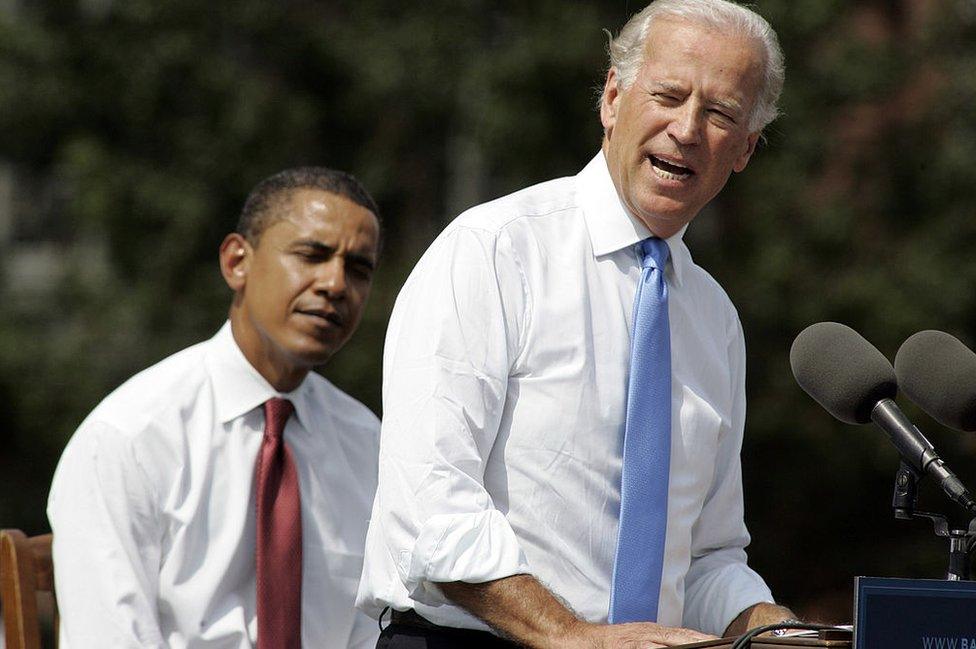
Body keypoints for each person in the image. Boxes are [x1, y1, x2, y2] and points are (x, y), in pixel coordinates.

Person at [357, 1, 797, 647]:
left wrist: (782, 632)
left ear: (746, 150)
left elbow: (705, 560)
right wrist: (570, 634)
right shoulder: (495, 249)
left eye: (721, 114)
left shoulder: (713, 317)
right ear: (613, 99)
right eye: (668, 95)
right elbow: (430, 506)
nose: (686, 128)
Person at [48, 167, 383, 648]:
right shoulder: (131, 437)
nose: (335, 284)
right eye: (312, 255)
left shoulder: (364, 442)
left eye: (358, 269)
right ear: (236, 262)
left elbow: (370, 628)